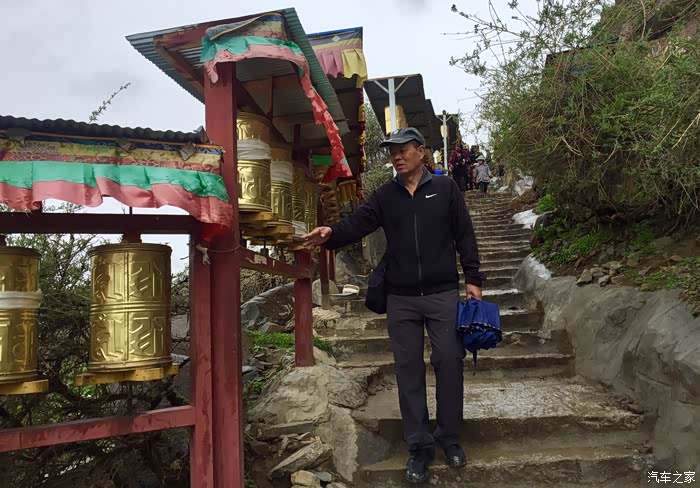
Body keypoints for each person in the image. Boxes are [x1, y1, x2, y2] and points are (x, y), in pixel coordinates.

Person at [303, 127, 484, 484]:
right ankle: (419, 447)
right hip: (401, 298)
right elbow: (359, 222)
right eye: (392, 151)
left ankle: (449, 438)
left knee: (450, 361)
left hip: (443, 293)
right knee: (408, 369)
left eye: (403, 150)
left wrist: (473, 279)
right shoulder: (386, 195)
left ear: (421, 151)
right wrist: (331, 234)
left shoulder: (446, 188)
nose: (397, 156)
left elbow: (464, 233)